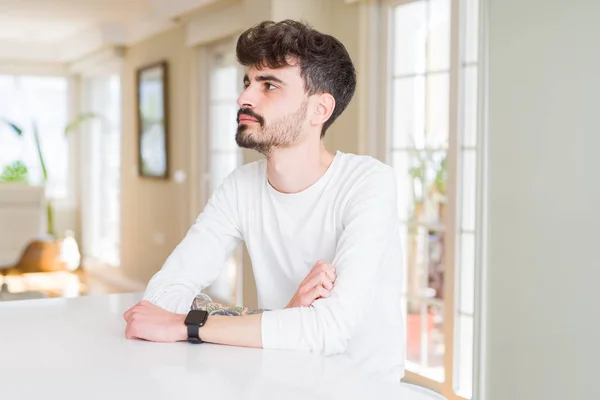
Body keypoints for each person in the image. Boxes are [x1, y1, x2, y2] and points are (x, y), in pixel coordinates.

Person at [123, 19, 405, 382]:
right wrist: (286, 316)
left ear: (320, 109)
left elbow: (329, 330)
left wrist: (189, 326)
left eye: (269, 85)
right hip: (280, 376)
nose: (244, 98)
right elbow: (163, 294)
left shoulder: (368, 183)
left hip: (361, 389)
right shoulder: (241, 186)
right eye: (248, 82)